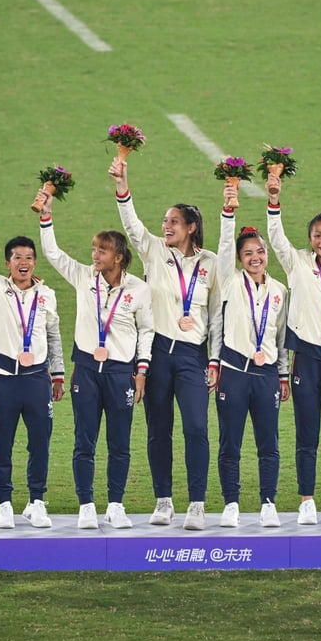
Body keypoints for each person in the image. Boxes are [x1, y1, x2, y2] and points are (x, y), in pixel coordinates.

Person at [109, 158, 219, 531]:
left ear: (190, 228)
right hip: (157, 353)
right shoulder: (154, 250)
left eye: (173, 222)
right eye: (164, 222)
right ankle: (163, 500)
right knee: (158, 429)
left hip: (192, 356)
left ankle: (198, 504)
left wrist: (214, 359)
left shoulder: (211, 263)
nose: (165, 226)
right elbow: (130, 224)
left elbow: (217, 315)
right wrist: (123, 185)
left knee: (195, 428)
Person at [37, 189, 154, 530]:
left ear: (119, 257)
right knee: (84, 440)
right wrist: (46, 215)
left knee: (119, 443)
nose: (95, 255)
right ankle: (86, 505)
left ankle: (115, 505)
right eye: (94, 249)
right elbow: (53, 253)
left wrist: (142, 370)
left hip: (121, 373)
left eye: (102, 250)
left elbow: (147, 330)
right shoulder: (84, 277)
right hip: (86, 369)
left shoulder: (138, 290)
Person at [0, 191, 65, 530]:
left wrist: (58, 373)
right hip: (3, 379)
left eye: (29, 257)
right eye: (17, 257)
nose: (24, 262)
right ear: (7, 262)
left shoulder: (46, 294)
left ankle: (36, 501)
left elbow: (53, 336)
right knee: (1, 444)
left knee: (40, 442)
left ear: (35, 262)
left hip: (36, 378)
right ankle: (4, 503)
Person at [266, 173, 321, 524]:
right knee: (307, 434)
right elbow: (275, 238)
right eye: (317, 235)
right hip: (306, 357)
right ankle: (307, 500)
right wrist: (274, 199)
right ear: (309, 239)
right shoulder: (297, 263)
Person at [215, 183, 289, 528]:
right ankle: (231, 503)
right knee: (230, 441)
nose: (255, 257)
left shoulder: (279, 291)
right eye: (248, 254)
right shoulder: (230, 281)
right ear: (240, 259)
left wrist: (284, 374)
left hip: (267, 375)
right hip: (233, 370)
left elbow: (282, 335)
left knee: (268, 443)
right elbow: (225, 245)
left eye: (259, 251)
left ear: (267, 254)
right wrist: (228, 210)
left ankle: (268, 503)